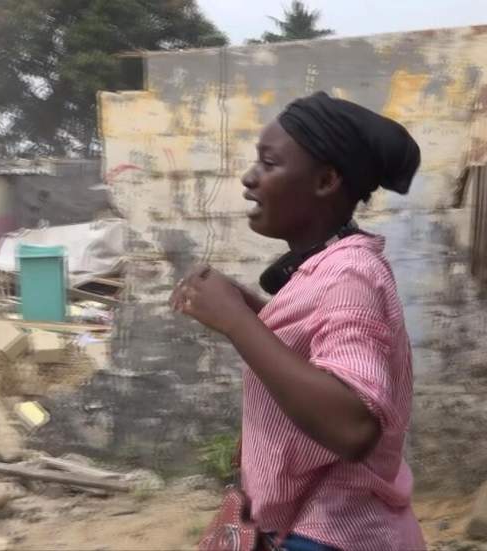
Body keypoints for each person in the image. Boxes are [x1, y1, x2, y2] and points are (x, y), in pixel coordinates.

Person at [171, 91, 425, 551]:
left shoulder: (348, 274)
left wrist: (237, 323)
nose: (250, 179)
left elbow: (354, 426)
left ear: (326, 180)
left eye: (269, 164)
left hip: (336, 534)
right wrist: (252, 310)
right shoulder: (324, 268)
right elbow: (316, 351)